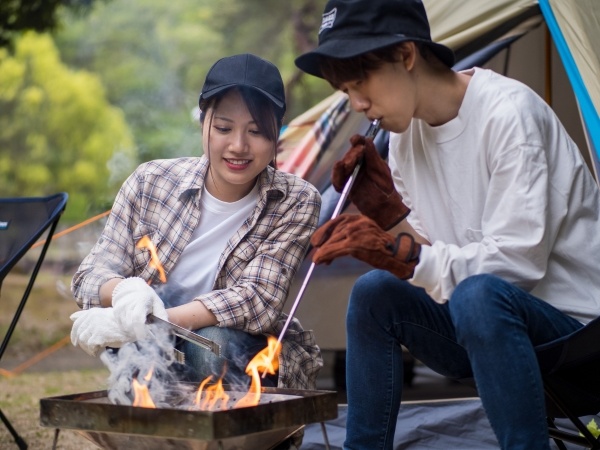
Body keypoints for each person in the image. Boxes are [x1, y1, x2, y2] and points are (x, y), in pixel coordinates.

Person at [294, 0, 600, 449]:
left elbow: (515, 265)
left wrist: (404, 252)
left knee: (479, 293)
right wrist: (387, 214)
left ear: (405, 54)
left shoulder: (508, 113)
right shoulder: (404, 140)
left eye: (361, 83)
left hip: (578, 343)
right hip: (486, 332)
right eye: (346, 92)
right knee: (375, 291)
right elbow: (434, 261)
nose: (358, 104)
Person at [70, 53, 323, 397]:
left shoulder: (295, 200)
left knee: (212, 344)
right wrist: (127, 297)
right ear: (202, 122)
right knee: (131, 342)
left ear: (277, 134)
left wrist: (156, 319)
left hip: (243, 352)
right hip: (150, 344)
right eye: (223, 128)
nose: (238, 146)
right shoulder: (151, 182)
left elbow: (257, 301)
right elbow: (90, 275)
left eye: (256, 131)